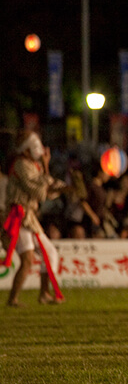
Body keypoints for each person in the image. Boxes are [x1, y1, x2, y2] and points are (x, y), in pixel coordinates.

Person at [4, 131, 67, 307]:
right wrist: (46, 167)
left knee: (50, 253)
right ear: (25, 151)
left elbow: (49, 189)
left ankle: (44, 293)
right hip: (18, 217)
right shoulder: (21, 165)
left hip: (29, 218)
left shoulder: (34, 166)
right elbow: (39, 193)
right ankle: (13, 299)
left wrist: (66, 189)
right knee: (28, 259)